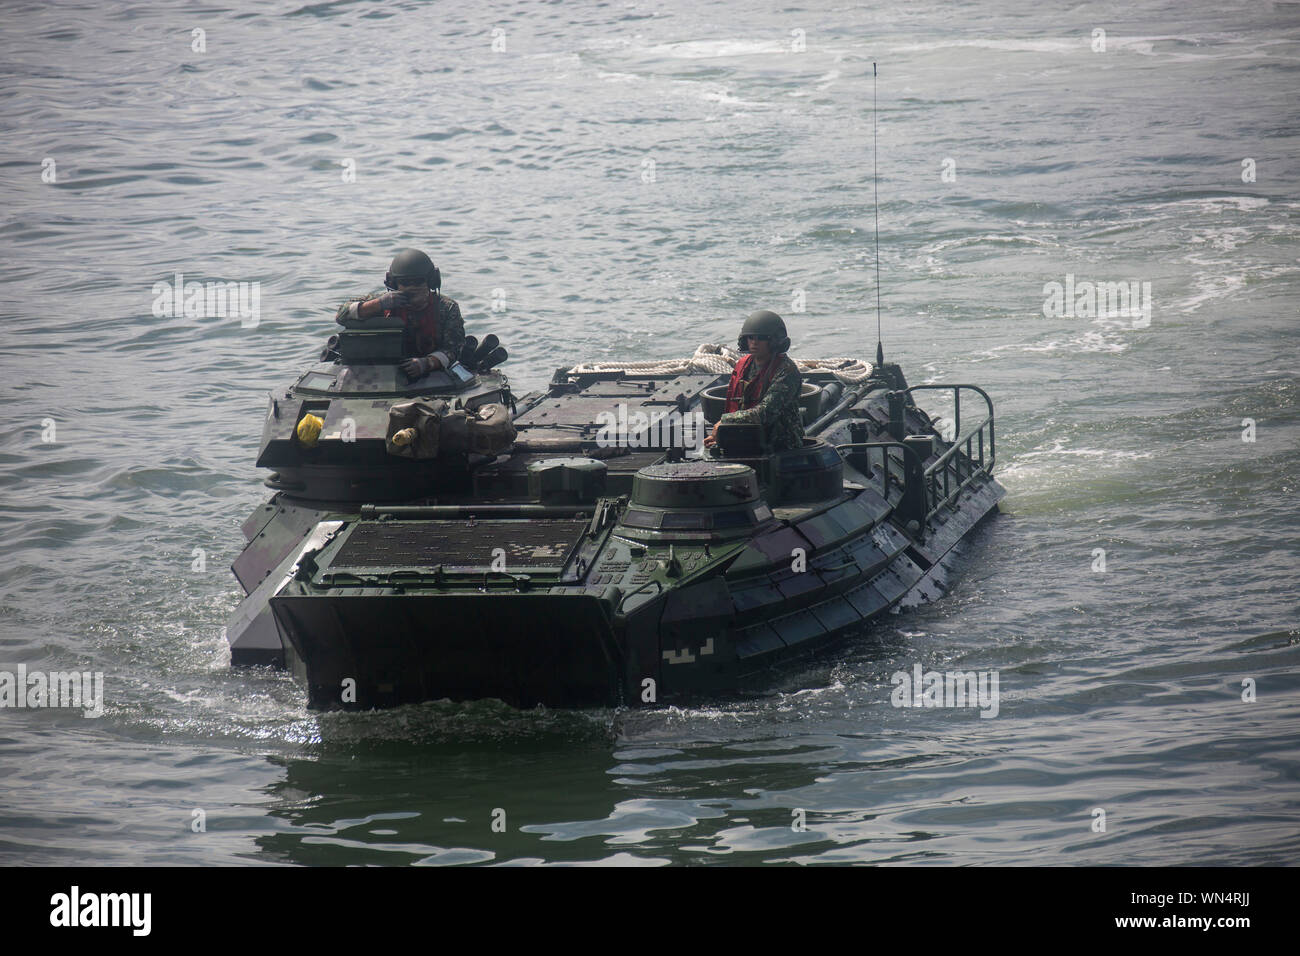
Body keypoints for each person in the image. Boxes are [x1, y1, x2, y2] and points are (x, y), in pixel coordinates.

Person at [334, 248, 466, 380]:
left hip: (430, 375)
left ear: (430, 281)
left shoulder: (446, 308)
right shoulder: (383, 303)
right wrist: (378, 305)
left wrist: (428, 363)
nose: (412, 287)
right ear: (394, 284)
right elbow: (341, 315)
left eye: (419, 281)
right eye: (405, 283)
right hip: (382, 372)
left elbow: (453, 348)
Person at [704, 309, 805, 453]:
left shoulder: (786, 371)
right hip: (745, 438)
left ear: (775, 340)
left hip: (781, 445)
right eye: (751, 337)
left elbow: (765, 412)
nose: (754, 342)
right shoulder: (744, 365)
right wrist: (724, 433)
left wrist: (726, 422)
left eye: (761, 337)